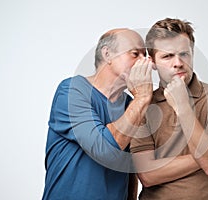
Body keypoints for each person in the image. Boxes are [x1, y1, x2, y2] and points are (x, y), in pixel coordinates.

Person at [130, 18, 208, 199]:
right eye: (167, 56)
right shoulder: (142, 105)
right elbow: (147, 176)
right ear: (153, 62)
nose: (178, 63)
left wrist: (183, 107)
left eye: (184, 54)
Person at [42, 28, 154, 200]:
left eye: (145, 55)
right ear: (107, 54)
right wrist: (143, 97)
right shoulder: (72, 91)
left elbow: (129, 168)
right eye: (135, 53)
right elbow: (105, 149)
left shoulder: (130, 105)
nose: (144, 61)